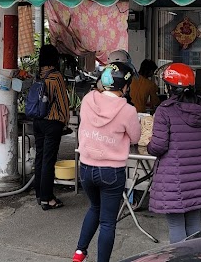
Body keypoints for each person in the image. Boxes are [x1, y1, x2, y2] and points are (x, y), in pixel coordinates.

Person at [147, 62, 201, 244]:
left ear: (169, 87)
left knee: (176, 225)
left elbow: (158, 146)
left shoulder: (164, 111)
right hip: (199, 177)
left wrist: (149, 146)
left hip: (175, 178)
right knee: (194, 221)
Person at [73, 62, 141, 262]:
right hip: (111, 171)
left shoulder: (87, 100)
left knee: (94, 207)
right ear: (125, 86)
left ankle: (79, 252)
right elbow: (135, 137)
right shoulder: (127, 110)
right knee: (108, 222)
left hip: (85, 168)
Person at [33, 44, 70, 210]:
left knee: (40, 158)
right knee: (49, 160)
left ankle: (40, 194)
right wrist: (66, 121)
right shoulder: (56, 76)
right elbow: (63, 102)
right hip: (52, 122)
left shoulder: (39, 75)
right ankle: (48, 199)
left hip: (38, 121)